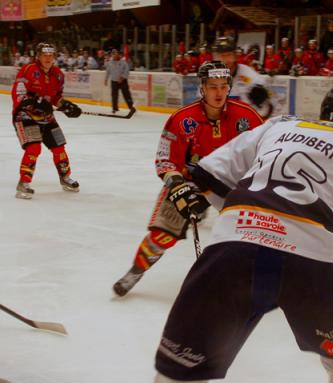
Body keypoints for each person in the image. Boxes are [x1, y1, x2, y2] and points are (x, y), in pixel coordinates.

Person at [119, 86, 333, 383]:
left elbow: (210, 176)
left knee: (178, 379)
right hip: (313, 265)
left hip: (233, 249)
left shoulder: (279, 125)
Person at [112, 61, 264, 296]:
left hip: (232, 182)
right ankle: (136, 270)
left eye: (224, 86)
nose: (219, 92)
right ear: (202, 87)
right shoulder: (182, 119)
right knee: (164, 232)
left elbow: (267, 151)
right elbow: (165, 160)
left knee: (251, 231)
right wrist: (177, 186)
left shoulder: (246, 117)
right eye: (213, 86)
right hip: (192, 180)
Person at [11, 42, 82, 200]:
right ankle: (24, 183)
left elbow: (56, 97)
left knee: (59, 148)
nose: (48, 58)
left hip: (46, 118)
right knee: (34, 148)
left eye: (51, 55)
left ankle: (65, 178)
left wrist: (67, 106)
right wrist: (37, 102)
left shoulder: (58, 74)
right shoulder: (28, 70)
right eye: (45, 55)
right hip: (25, 116)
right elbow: (19, 95)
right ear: (38, 56)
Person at [212, 36, 277, 118]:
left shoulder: (251, 77)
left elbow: (271, 107)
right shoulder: (209, 80)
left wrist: (265, 105)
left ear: (235, 56)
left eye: (228, 55)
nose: (224, 60)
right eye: (220, 56)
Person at [104, 48, 135, 114]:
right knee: (114, 95)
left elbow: (127, 71)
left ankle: (131, 107)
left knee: (126, 95)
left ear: (118, 54)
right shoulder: (110, 63)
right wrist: (106, 79)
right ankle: (115, 108)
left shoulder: (123, 62)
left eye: (115, 53)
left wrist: (122, 78)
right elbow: (108, 72)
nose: (114, 55)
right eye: (112, 54)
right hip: (114, 81)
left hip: (123, 81)